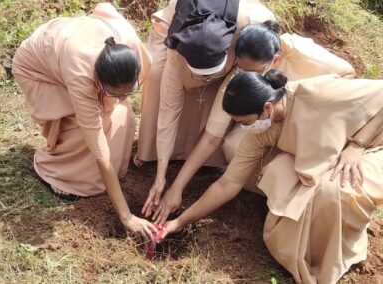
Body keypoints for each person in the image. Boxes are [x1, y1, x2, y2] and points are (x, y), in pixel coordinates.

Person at [161, 70, 383, 283]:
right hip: (333, 155)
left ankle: (335, 256)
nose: (242, 127)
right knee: (278, 172)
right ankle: (307, 246)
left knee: (333, 192)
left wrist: (358, 145)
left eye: (244, 122)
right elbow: (229, 182)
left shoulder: (319, 93)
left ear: (267, 107)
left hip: (372, 145)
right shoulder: (262, 127)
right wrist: (179, 222)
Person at [151, 20, 356, 224]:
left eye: (255, 72)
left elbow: (348, 73)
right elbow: (212, 137)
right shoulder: (239, 79)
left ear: (276, 60)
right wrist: (176, 188)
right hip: (270, 128)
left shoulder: (305, 56)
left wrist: (305, 108)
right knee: (233, 146)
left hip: (312, 123)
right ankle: (264, 187)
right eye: (242, 70)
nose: (246, 77)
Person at [12, 3, 157, 239]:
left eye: (128, 92)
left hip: (73, 45)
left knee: (119, 111)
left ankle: (111, 171)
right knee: (84, 127)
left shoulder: (128, 43)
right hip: (39, 70)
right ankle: (64, 174)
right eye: (114, 92)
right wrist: (126, 216)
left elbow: (146, 69)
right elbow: (98, 147)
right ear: (97, 81)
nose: (122, 98)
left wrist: (116, 100)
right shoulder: (80, 73)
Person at [139, 0, 276, 218]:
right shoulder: (177, 50)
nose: (203, 81)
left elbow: (214, 132)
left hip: (237, 47)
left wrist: (177, 189)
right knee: (157, 75)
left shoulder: (248, 41)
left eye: (209, 76)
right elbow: (168, 112)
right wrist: (161, 177)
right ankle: (163, 157)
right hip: (182, 32)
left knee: (220, 106)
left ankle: (203, 162)